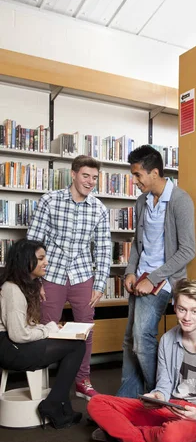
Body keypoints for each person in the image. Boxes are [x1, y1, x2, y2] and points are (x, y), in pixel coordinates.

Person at [88, 279, 196, 442]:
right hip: (171, 406)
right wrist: (158, 396)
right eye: (182, 309)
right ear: (175, 307)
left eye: (194, 311)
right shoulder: (167, 340)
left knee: (170, 438)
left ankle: (121, 434)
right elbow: (164, 385)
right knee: (96, 403)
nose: (187, 317)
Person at [27, 155, 111, 400]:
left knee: (85, 328)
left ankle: (82, 380)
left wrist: (100, 282)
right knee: (47, 326)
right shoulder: (49, 201)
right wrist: (35, 280)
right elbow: (34, 240)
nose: (90, 182)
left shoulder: (99, 208)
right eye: (86, 175)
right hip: (50, 273)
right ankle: (43, 382)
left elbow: (104, 248)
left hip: (83, 274)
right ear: (73, 174)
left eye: (95, 177)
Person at [117, 145, 195, 399]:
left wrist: (152, 279)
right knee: (130, 340)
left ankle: (159, 395)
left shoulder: (180, 200)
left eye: (138, 175)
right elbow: (138, 243)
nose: (135, 181)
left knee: (141, 339)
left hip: (162, 281)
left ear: (155, 173)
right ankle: (128, 397)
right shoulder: (142, 202)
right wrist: (130, 271)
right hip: (139, 279)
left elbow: (187, 251)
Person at [0, 239, 84, 429]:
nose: (46, 262)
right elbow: (19, 335)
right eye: (40, 258)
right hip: (10, 349)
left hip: (12, 345)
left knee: (73, 343)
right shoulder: (12, 289)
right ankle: (55, 403)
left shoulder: (23, 285)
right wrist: (48, 330)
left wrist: (49, 330)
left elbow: (25, 327)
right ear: (25, 261)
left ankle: (59, 403)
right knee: (77, 346)